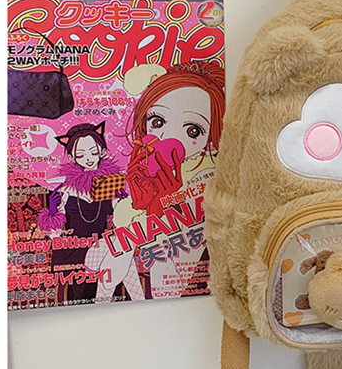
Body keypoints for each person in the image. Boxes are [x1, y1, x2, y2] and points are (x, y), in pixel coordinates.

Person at [99, 61, 225, 300]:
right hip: (144, 290)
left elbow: (172, 285)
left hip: (188, 289)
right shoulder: (142, 172)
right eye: (157, 122)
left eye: (193, 130)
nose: (168, 138)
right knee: (110, 259)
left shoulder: (208, 182)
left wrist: (166, 206)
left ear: (211, 140)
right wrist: (143, 204)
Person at [37, 121, 128, 303]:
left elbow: (122, 222)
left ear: (102, 151)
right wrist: (53, 213)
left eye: (93, 152)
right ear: (72, 158)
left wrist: (124, 204)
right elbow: (54, 234)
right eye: (80, 154)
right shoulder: (66, 188)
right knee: (78, 297)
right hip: (74, 252)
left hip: (102, 249)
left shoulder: (111, 183)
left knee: (107, 291)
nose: (88, 159)